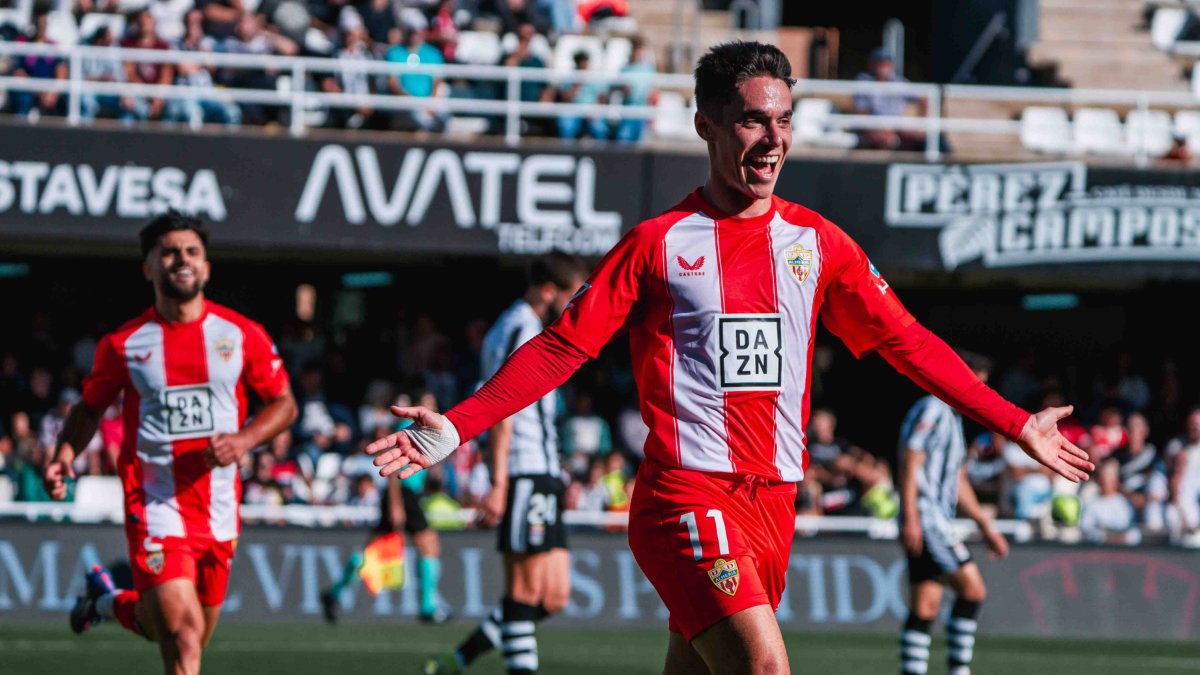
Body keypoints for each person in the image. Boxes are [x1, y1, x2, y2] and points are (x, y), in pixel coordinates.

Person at [366, 41, 1093, 675]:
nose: (773, 139)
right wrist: (459, 425)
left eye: (784, 121)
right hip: (686, 494)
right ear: (706, 126)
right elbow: (563, 346)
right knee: (764, 666)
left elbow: (908, 341)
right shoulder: (659, 243)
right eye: (752, 120)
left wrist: (1014, 422)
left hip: (773, 503)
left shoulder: (819, 244)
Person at [43, 211, 297, 675]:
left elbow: (284, 404)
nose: (182, 259)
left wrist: (243, 440)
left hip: (219, 507)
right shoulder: (124, 344)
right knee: (184, 637)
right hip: (155, 502)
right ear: (148, 268)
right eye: (169, 252)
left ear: (206, 267)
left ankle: (103, 603)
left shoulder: (240, 334)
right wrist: (64, 454)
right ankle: (110, 603)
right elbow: (90, 407)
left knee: (182, 632)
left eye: (192, 251)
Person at [424, 251, 587, 675]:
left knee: (553, 596)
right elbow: (501, 405)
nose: (575, 306)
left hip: (544, 471)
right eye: (571, 296)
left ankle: (459, 660)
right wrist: (498, 482)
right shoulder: (519, 328)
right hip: (522, 470)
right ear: (548, 291)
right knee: (524, 591)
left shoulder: (524, 327)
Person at [898, 351, 1009, 675]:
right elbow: (910, 460)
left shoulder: (953, 416)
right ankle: (959, 670)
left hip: (937, 520)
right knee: (973, 590)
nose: (977, 391)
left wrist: (984, 524)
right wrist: (911, 517)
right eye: (975, 383)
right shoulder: (932, 408)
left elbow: (957, 479)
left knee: (926, 604)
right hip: (928, 520)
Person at [853, 47, 935, 152]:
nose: (883, 66)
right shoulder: (864, 81)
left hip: (898, 126)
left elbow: (923, 100)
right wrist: (881, 130)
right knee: (882, 140)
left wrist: (920, 125)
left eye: (886, 63)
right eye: (880, 63)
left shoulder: (899, 82)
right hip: (874, 127)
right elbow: (861, 113)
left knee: (920, 139)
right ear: (871, 64)